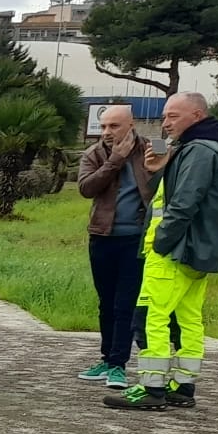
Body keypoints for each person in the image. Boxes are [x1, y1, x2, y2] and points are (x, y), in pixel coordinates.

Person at [104, 92, 218, 412]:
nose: (165, 124)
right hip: (200, 251)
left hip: (175, 251)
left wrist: (161, 242)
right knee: (189, 318)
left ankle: (151, 387)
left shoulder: (198, 150)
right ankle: (182, 385)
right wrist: (156, 170)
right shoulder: (213, 148)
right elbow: (164, 197)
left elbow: (183, 204)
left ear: (196, 116)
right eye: (165, 117)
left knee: (151, 315)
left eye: (173, 116)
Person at [74, 104, 153, 387]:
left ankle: (119, 364)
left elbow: (160, 184)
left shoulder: (149, 149)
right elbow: (86, 188)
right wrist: (115, 161)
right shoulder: (94, 154)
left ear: (131, 124)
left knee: (125, 305)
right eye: (103, 126)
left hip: (136, 239)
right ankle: (106, 359)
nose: (107, 132)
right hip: (102, 237)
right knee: (106, 303)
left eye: (114, 126)